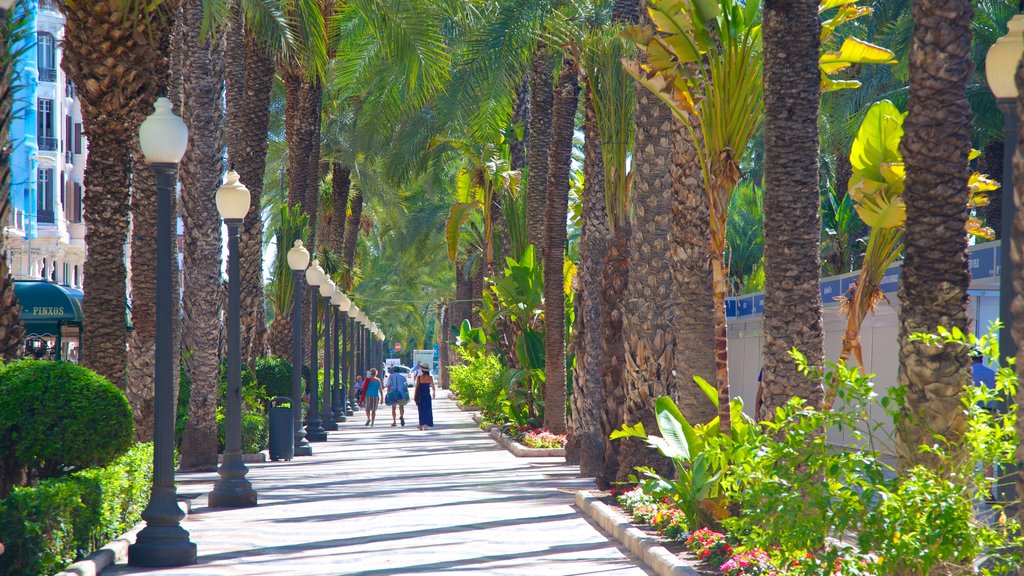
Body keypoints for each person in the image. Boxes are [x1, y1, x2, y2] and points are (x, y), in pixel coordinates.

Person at [413, 362, 436, 430]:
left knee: (421, 410)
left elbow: (417, 387)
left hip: (421, 396)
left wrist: (415, 396)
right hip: (427, 395)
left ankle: (421, 424)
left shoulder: (419, 378)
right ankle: (426, 425)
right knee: (428, 410)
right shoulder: (430, 378)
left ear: (422, 370)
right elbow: (433, 386)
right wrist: (434, 393)